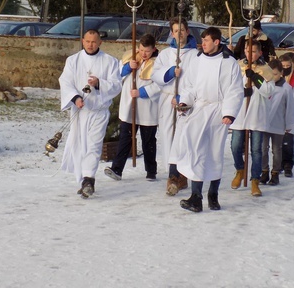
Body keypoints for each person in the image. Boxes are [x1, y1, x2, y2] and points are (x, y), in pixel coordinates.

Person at [172, 27, 243, 212]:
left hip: (218, 111)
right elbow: (190, 86)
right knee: (195, 149)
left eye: (206, 41)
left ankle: (213, 194)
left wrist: (229, 112)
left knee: (213, 153)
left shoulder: (229, 64)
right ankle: (196, 196)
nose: (202, 44)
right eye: (202, 41)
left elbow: (234, 90)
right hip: (200, 108)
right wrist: (185, 102)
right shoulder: (197, 60)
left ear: (217, 42)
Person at [59, 29, 122, 198]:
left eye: (94, 42)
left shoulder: (110, 61)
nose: (90, 45)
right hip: (80, 110)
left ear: (100, 42)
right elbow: (65, 81)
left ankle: (89, 179)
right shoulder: (73, 61)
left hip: (98, 111)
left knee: (94, 145)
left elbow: (116, 85)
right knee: (79, 145)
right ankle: (81, 179)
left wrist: (99, 83)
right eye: (87, 41)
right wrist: (75, 98)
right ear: (82, 41)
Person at [151, 17, 198, 195]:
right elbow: (155, 75)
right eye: (176, 31)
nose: (179, 34)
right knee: (169, 137)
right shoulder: (164, 54)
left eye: (182, 30)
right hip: (167, 100)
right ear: (172, 33)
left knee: (184, 138)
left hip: (186, 103)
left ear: (187, 32)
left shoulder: (195, 56)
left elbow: (197, 80)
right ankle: (172, 175)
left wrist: (182, 96)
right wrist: (170, 73)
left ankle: (181, 174)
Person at [105, 33, 160, 182]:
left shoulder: (158, 63)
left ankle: (151, 170)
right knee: (125, 138)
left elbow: (160, 85)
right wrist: (128, 67)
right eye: (141, 50)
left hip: (147, 108)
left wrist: (142, 92)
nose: (143, 54)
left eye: (147, 51)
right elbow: (117, 76)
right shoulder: (131, 57)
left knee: (148, 140)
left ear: (153, 49)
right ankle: (117, 169)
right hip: (130, 107)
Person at [229, 39, 275, 197]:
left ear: (260, 53)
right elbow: (230, 86)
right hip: (240, 112)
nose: (251, 54)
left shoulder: (266, 69)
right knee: (235, 146)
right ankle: (239, 170)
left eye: (254, 51)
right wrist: (243, 91)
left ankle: (255, 179)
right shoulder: (237, 66)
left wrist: (255, 78)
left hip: (256, 112)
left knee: (256, 149)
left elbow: (269, 91)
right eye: (248, 51)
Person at [260, 59, 293, 186]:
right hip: (263, 122)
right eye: (270, 74)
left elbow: (290, 107)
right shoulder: (265, 86)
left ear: (281, 73)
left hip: (278, 123)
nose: (272, 77)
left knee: (276, 149)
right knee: (263, 149)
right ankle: (264, 171)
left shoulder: (286, 89)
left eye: (275, 74)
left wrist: (289, 124)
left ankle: (275, 173)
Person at [279, 52, 294, 175]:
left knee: (288, 142)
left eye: (288, 66)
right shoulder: (274, 79)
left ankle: (288, 164)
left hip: (290, 114)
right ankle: (279, 163)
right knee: (278, 143)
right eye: (283, 66)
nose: (286, 68)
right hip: (278, 115)